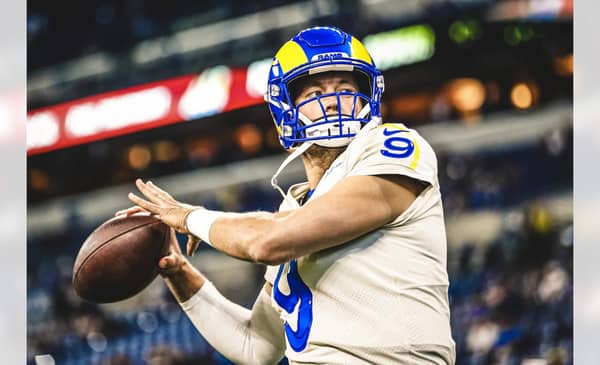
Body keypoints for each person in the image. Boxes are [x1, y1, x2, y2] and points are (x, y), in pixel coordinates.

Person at [119, 26, 455, 364]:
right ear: (284, 109)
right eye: (314, 93)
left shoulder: (393, 146)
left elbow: (267, 241)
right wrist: (178, 272)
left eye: (346, 88)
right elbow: (254, 346)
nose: (333, 101)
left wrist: (189, 217)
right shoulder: (295, 208)